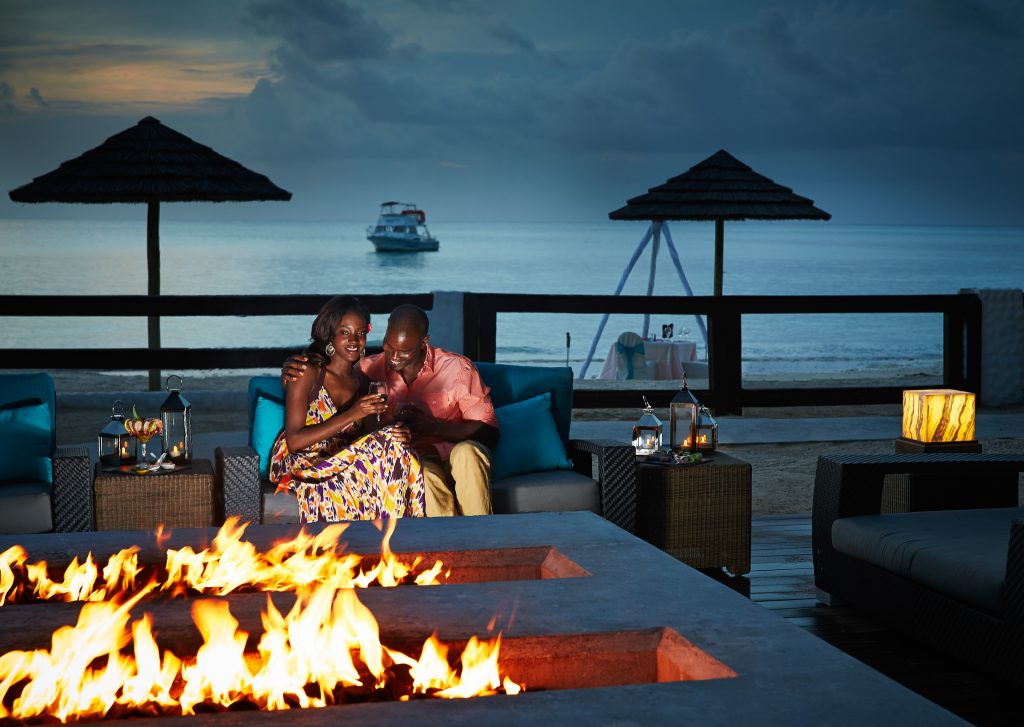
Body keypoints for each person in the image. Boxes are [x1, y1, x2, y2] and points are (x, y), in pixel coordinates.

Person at [283, 304, 498, 517]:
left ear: (424, 342)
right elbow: (332, 374)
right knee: (422, 477)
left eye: (403, 351)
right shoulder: (367, 370)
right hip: (415, 459)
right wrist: (290, 369)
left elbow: (491, 434)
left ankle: (483, 539)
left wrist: (430, 427)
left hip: (456, 455)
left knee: (466, 453)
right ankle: (452, 548)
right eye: (388, 345)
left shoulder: (458, 370)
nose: (393, 357)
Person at [269, 295, 425, 522]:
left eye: (361, 333)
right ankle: (402, 532)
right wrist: (353, 413)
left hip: (340, 461)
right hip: (304, 464)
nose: (354, 340)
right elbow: (295, 441)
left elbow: (370, 437)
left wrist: (396, 432)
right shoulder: (306, 372)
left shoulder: (362, 382)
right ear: (330, 334)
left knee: (399, 448)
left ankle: (401, 534)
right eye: (345, 332)